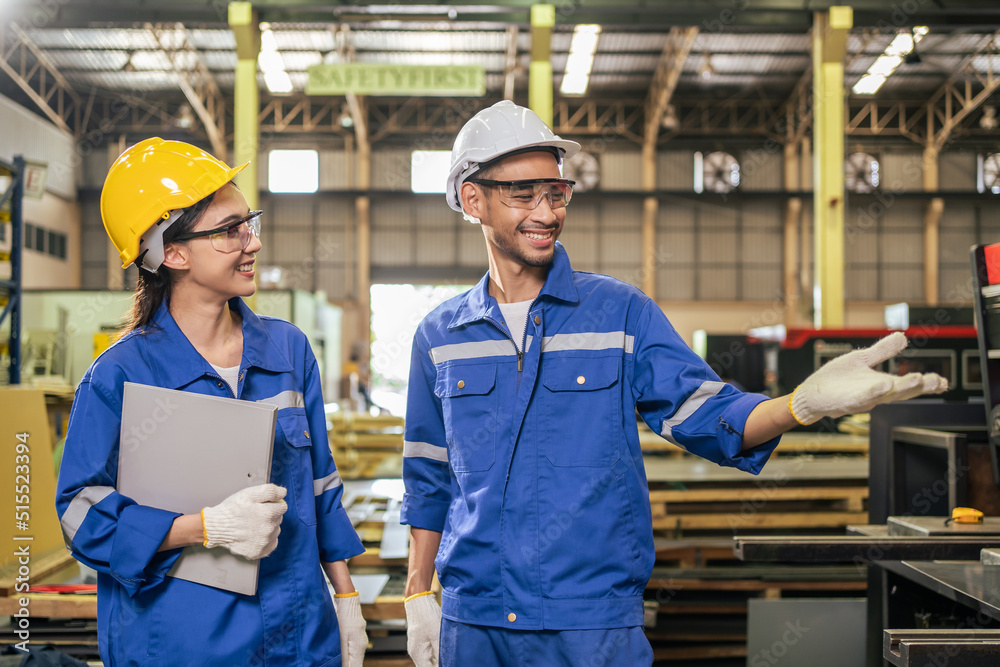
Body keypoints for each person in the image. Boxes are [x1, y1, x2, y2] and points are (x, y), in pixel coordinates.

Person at [399, 100, 948, 666]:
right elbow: (428, 474)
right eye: (523, 194)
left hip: (592, 627)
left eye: (557, 193)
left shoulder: (619, 314)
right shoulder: (440, 336)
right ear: (473, 199)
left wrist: (799, 405)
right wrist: (418, 590)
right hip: (476, 622)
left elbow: (708, 416)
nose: (546, 212)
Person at [55, 138, 368, 667]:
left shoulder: (287, 350)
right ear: (172, 253)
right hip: (180, 643)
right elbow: (79, 517)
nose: (252, 243)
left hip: (296, 637)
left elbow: (320, 484)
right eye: (229, 231)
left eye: (250, 223)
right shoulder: (120, 376)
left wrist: (346, 598)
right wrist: (203, 527)